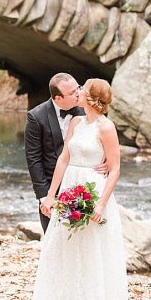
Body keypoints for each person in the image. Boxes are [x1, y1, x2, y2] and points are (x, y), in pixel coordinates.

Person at [29, 78, 128, 300]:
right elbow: (63, 159)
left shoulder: (106, 128)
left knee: (92, 248)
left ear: (91, 98)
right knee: (63, 246)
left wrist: (101, 204)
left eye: (82, 89)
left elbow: (115, 169)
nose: (78, 91)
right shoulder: (76, 121)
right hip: (70, 187)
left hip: (93, 189)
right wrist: (51, 196)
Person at [24, 72, 108, 231]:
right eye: (72, 93)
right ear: (58, 98)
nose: (78, 94)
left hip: (84, 186)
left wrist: (107, 162)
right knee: (52, 237)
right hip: (52, 187)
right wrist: (44, 196)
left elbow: (102, 142)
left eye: (78, 88)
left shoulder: (86, 110)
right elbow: (33, 159)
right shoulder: (36, 117)